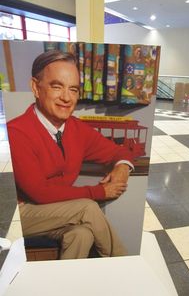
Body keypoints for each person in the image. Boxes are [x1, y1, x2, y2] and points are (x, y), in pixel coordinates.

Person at [7, 50, 134, 259]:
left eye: (73, 89)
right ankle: (124, 266)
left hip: (55, 212)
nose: (66, 98)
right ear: (35, 87)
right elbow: (39, 192)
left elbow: (119, 151)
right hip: (20, 213)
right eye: (57, 86)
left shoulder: (76, 129)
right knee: (87, 208)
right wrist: (100, 191)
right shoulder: (17, 131)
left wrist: (122, 166)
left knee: (81, 235)